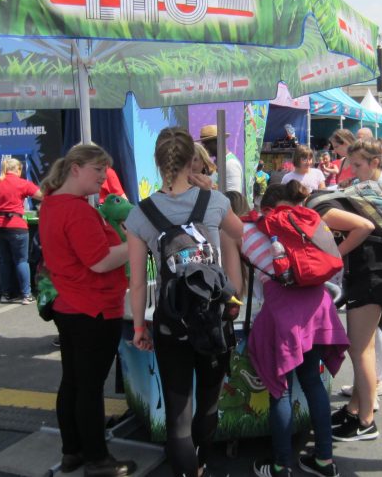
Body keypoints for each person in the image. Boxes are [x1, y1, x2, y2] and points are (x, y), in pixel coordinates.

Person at [125, 127, 243, 477]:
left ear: (158, 162)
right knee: (208, 405)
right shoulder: (215, 202)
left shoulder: (140, 213)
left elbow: (135, 282)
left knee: (177, 414)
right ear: (193, 160)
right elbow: (243, 235)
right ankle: (202, 463)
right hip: (213, 319)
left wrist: (138, 327)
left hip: (169, 321)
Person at [37, 144, 135, 477]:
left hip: (70, 304)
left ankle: (73, 451)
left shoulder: (52, 204)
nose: (104, 177)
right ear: (75, 169)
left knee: (74, 383)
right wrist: (137, 244)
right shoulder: (76, 211)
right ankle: (98, 461)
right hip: (92, 309)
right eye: (98, 170)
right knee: (89, 388)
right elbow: (100, 261)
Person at [248, 181, 353, 477]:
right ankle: (324, 461)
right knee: (312, 383)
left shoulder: (255, 229)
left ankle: (281, 466)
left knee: (279, 392)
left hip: (283, 314)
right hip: (319, 308)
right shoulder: (310, 221)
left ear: (267, 207)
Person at [320, 138, 382, 443]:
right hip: (365, 269)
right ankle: (355, 409)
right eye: (350, 165)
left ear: (375, 162)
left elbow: (369, 227)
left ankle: (366, 420)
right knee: (360, 348)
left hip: (374, 270)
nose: (352, 171)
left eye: (357, 165)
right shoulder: (361, 189)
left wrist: (335, 254)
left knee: (361, 349)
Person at [0, 157, 43, 304]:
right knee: (21, 261)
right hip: (16, 226)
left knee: (5, 261)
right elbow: (42, 196)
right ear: (18, 169)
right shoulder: (23, 183)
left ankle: (6, 294)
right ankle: (26, 295)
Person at [198, 124, 243, 193]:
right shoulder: (216, 163)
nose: (204, 147)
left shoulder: (230, 164)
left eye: (206, 143)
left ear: (218, 142)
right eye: (203, 144)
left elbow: (234, 197)